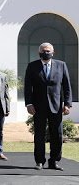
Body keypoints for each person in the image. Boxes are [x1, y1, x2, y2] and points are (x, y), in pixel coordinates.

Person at [24, 42, 72, 171]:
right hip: (38, 107)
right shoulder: (32, 66)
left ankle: (54, 161)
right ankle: (39, 162)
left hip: (56, 106)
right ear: (39, 52)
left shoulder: (61, 65)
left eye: (48, 50)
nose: (46, 53)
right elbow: (28, 87)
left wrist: (67, 104)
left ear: (53, 52)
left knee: (57, 134)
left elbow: (67, 86)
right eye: (43, 51)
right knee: (39, 135)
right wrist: (29, 103)